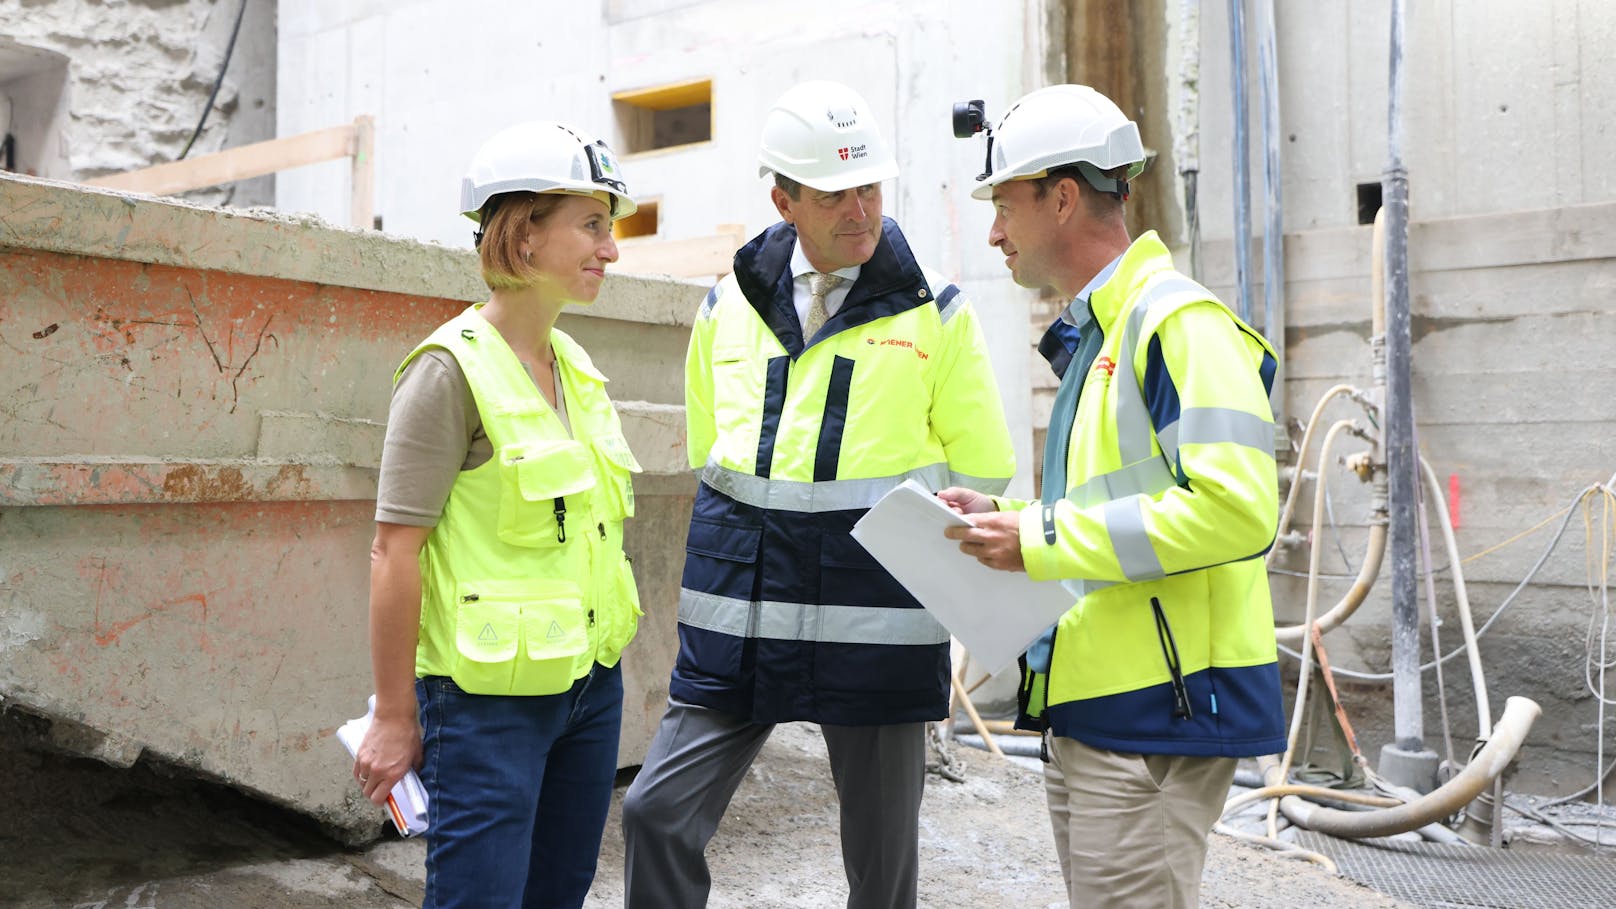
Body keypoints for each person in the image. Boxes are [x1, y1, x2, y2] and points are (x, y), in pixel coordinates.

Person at [620, 80, 1016, 909]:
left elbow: (983, 469)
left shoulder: (936, 311)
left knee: (881, 867)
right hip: (744, 619)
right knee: (657, 812)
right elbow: (712, 456)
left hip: (875, 623)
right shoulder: (725, 305)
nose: (861, 210)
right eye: (837, 194)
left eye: (872, 187)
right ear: (784, 199)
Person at [939, 84, 1288, 909]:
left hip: (1157, 716)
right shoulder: (1107, 334)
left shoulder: (1176, 323)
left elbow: (1237, 509)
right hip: (1104, 706)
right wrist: (1014, 524)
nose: (993, 231)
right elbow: (1121, 504)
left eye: (1004, 205)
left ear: (1062, 198)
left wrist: (1040, 538)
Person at [353, 121, 645, 909]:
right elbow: (393, 553)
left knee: (560, 894)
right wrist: (393, 713)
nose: (609, 250)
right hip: (485, 708)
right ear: (522, 237)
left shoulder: (576, 368)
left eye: (607, 229)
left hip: (589, 688)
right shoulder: (448, 372)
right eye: (590, 226)